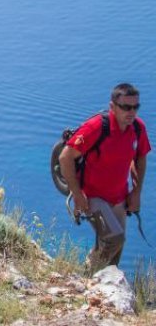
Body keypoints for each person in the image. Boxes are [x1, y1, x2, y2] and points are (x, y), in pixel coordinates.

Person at [59, 83, 150, 271]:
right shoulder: (96, 128)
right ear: (112, 107)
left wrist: (136, 191)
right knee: (113, 240)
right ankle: (86, 276)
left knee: (116, 250)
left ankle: (105, 290)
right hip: (92, 196)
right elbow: (65, 157)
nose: (131, 112)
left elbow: (140, 157)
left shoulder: (138, 129)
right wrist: (77, 194)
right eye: (126, 107)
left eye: (135, 107)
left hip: (118, 197)